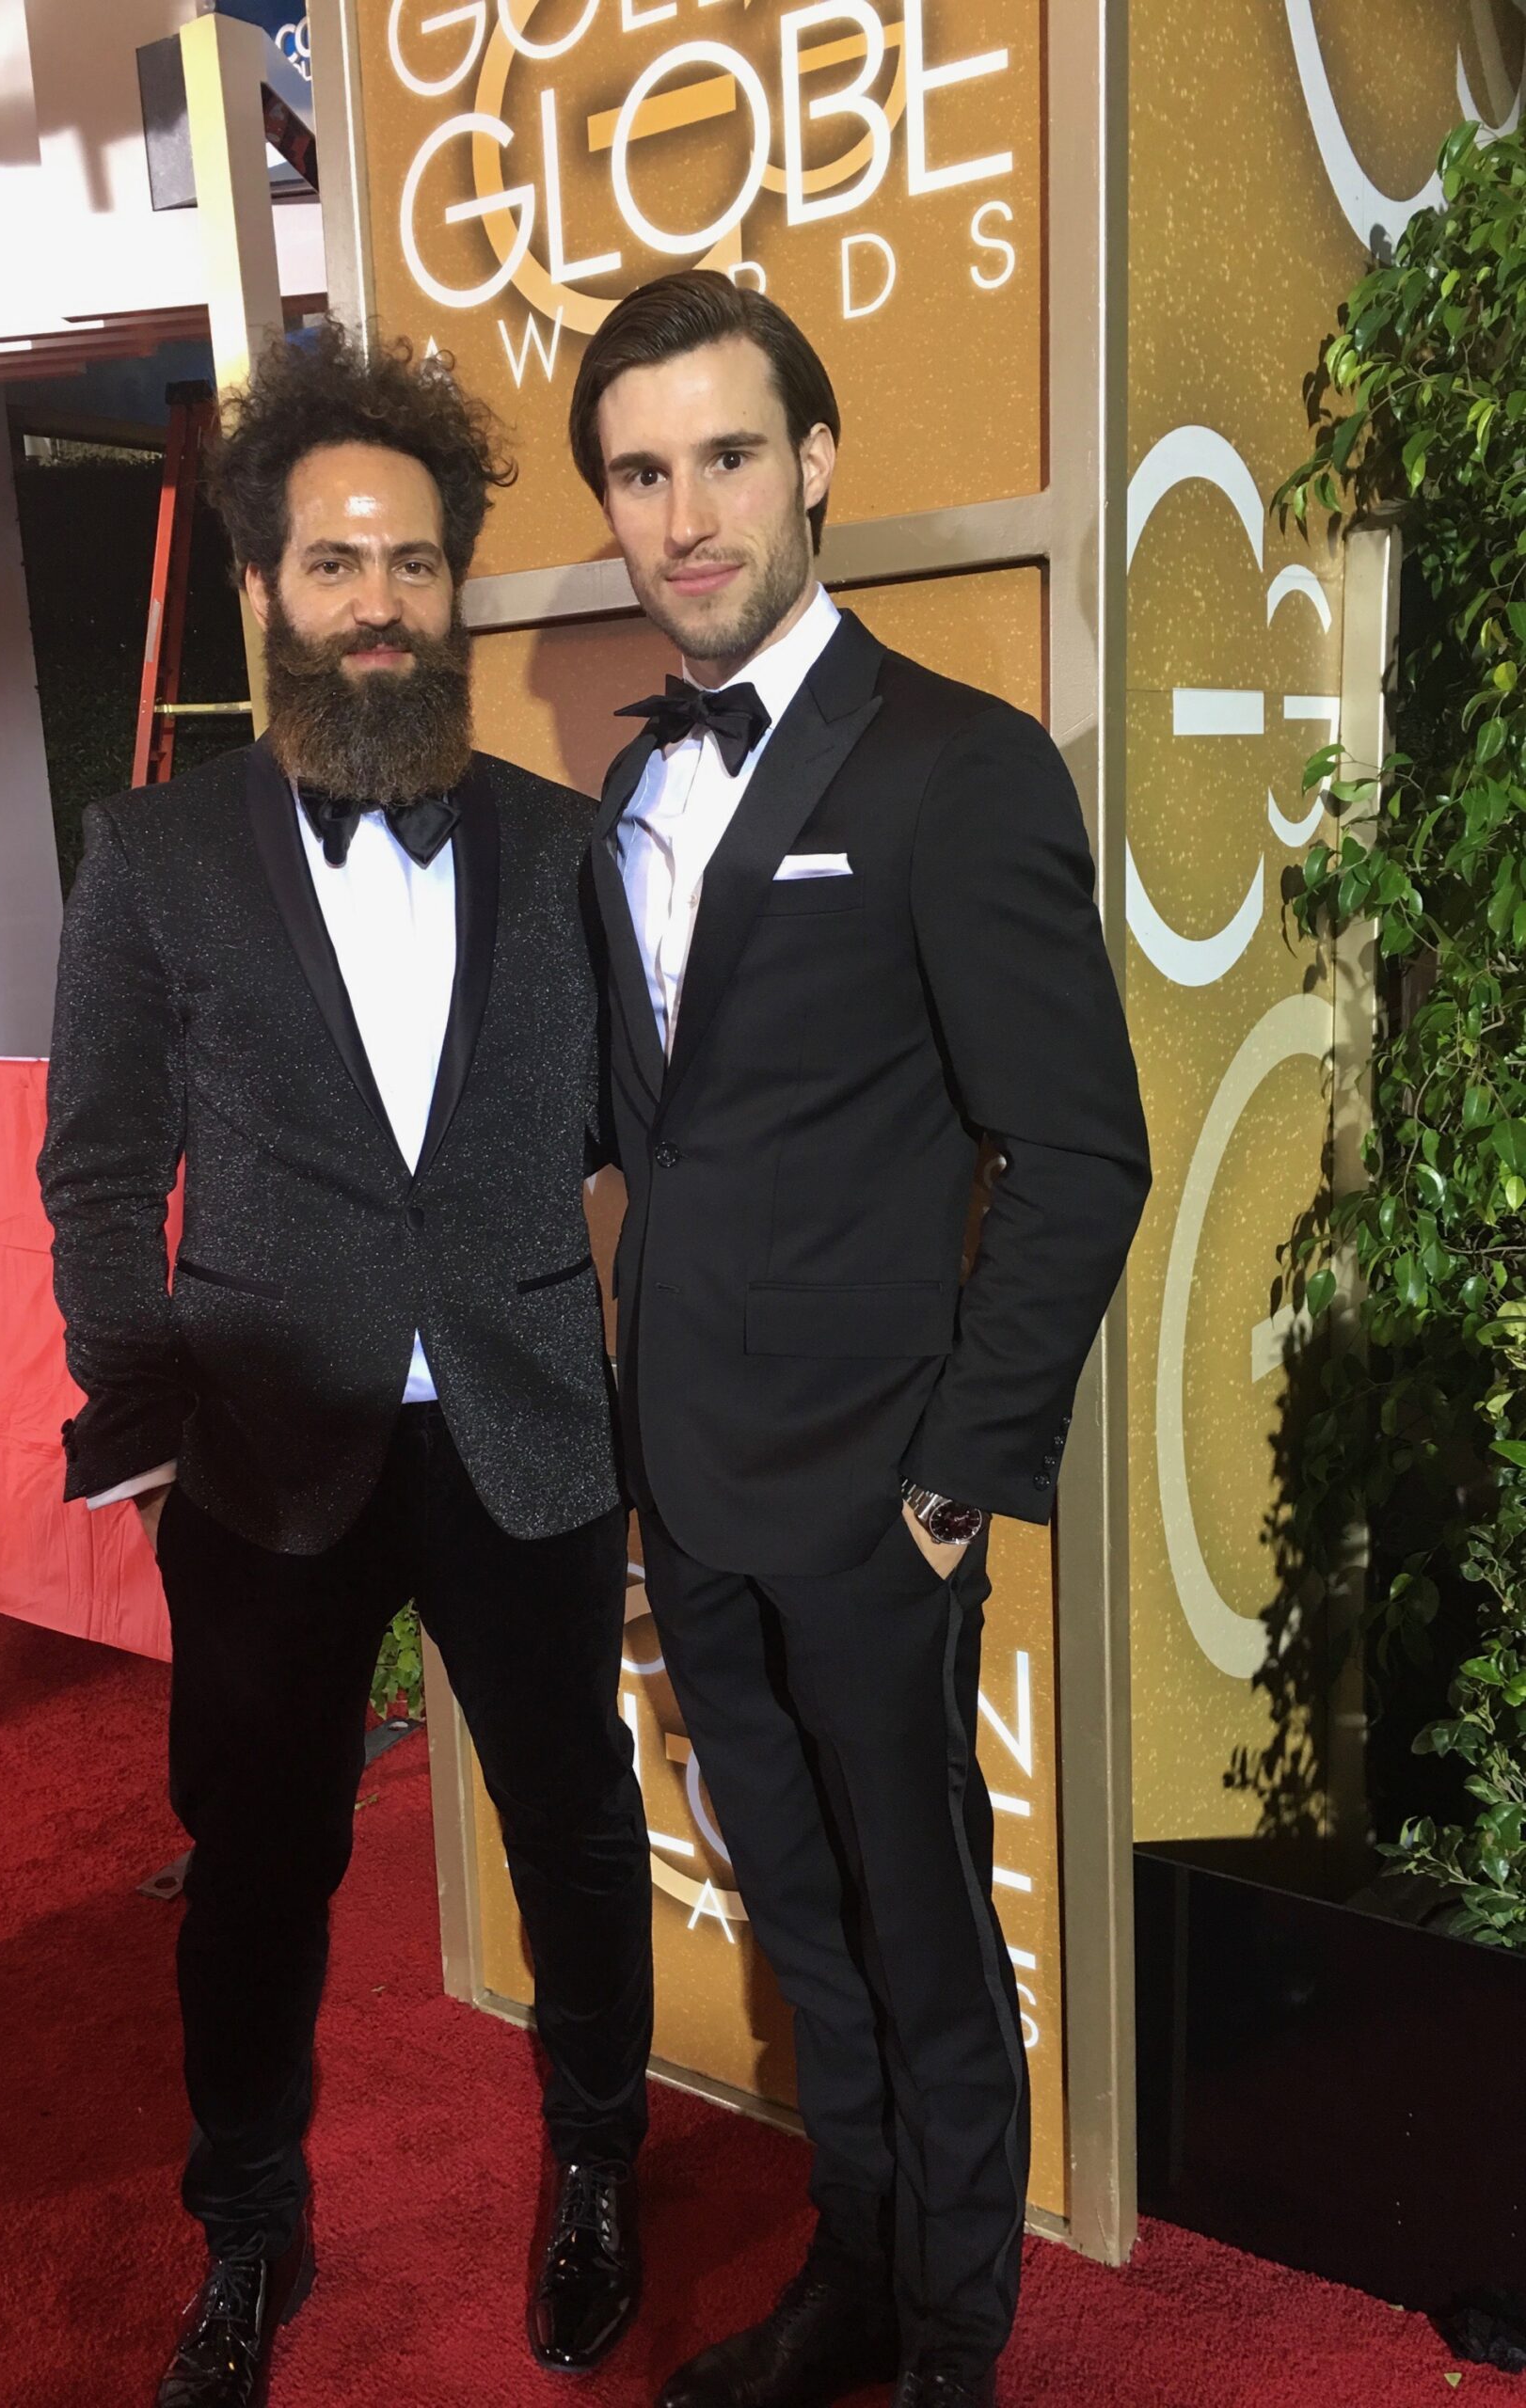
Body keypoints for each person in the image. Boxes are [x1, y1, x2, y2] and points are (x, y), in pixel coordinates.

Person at [39, 323, 652, 2408]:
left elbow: (653, 1147)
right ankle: (249, 2225)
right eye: (333, 565)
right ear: (268, 590)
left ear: (454, 585)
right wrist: (128, 1394)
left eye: (411, 564)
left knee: (577, 1825)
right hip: (263, 1446)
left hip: (525, 1427)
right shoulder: (154, 856)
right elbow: (105, 1160)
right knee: (262, 1854)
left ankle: (594, 2166)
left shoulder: (575, 854)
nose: (375, 602)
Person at [567, 270, 1151, 2408]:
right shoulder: (625, 804)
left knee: (922, 1938)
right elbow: (653, 1131)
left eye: (728, 454)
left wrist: (948, 1479)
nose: (687, 509)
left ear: (816, 464)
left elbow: (1081, 1152)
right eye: (642, 471)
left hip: (871, 1492)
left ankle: (953, 2348)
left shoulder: (953, 771)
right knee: (804, 1918)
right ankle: (852, 2270)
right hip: (689, 1480)